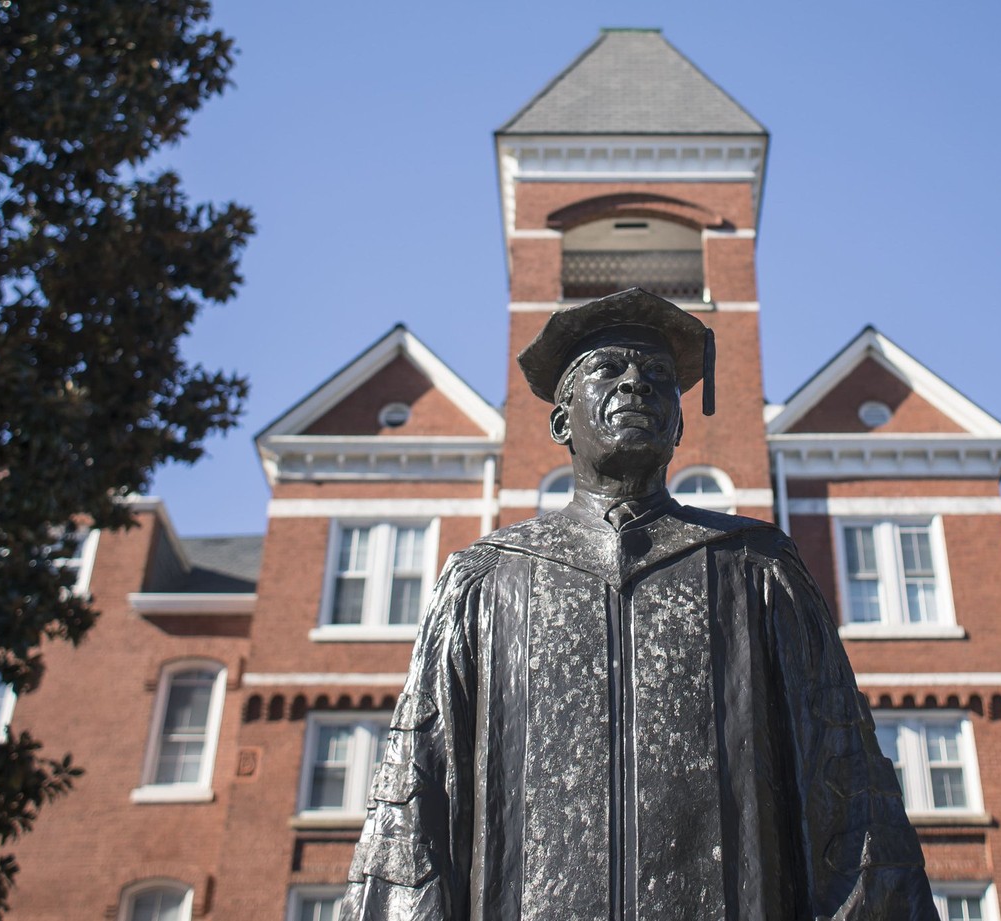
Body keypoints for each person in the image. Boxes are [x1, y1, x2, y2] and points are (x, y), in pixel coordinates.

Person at [342, 288, 937, 920]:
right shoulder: (486, 581)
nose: (635, 385)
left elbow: (845, 789)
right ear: (561, 420)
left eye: (658, 375)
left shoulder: (754, 566)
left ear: (680, 425)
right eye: (607, 370)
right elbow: (416, 794)